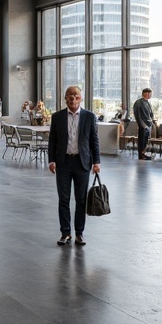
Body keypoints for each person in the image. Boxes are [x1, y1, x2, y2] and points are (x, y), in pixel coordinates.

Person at [47, 86, 100, 246]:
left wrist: (96, 161)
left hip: (82, 163)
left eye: (76, 96)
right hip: (63, 163)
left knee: (81, 200)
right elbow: (52, 141)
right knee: (63, 199)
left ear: (81, 98)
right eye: (70, 96)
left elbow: (94, 140)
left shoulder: (89, 117)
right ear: (65, 99)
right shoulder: (57, 117)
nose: (73, 99)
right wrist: (51, 160)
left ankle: (79, 233)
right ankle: (65, 233)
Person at [133, 88, 155, 161]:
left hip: (148, 125)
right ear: (144, 93)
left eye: (150, 94)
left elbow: (150, 114)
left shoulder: (148, 103)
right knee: (141, 140)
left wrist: (151, 122)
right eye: (148, 93)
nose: (149, 95)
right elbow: (138, 115)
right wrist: (142, 124)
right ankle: (141, 155)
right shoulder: (138, 103)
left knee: (145, 140)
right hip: (143, 125)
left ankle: (143, 153)